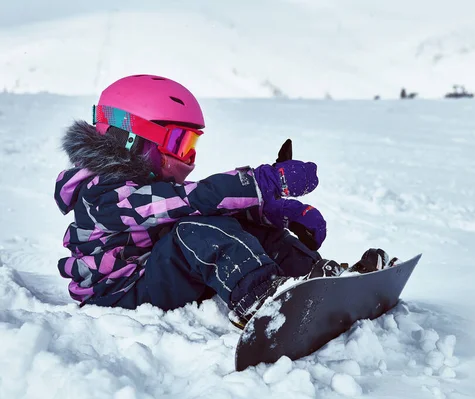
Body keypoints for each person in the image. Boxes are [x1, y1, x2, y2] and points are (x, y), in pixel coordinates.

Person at [54, 74, 394, 328]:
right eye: (178, 143)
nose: (186, 157)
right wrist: (263, 183)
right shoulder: (102, 194)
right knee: (197, 229)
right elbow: (192, 200)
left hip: (152, 276)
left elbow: (200, 201)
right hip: (120, 297)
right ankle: (263, 300)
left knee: (230, 221)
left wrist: (266, 212)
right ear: (130, 138)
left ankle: (317, 280)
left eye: (190, 144)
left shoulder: (145, 185)